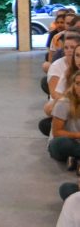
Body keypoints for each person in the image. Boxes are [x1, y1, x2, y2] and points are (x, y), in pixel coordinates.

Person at [50, 71, 80, 201]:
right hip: (66, 142)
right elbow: (57, 132)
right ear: (73, 85)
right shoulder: (64, 102)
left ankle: (76, 159)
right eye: (78, 83)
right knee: (61, 143)